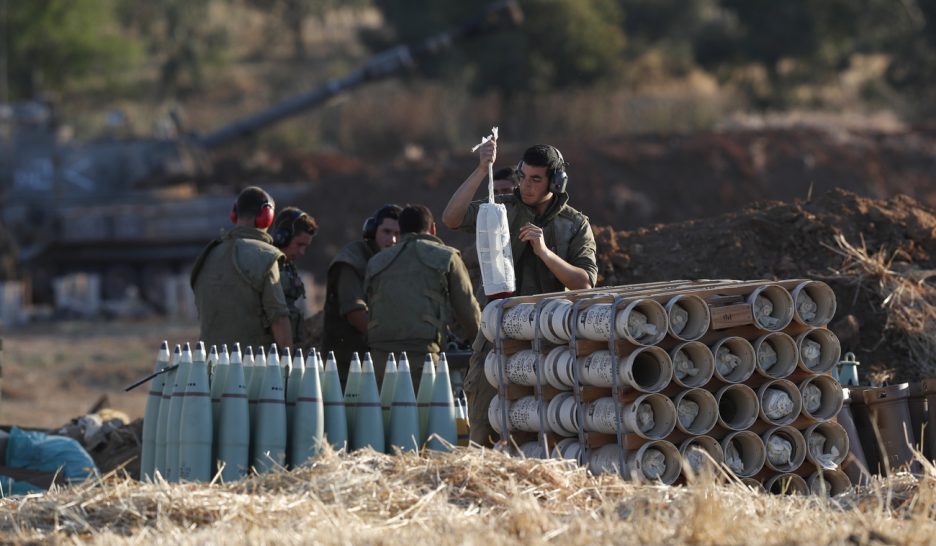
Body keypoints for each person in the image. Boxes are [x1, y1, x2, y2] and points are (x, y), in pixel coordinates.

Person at [442, 141, 598, 446]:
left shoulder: (574, 225)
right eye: (523, 176)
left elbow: (584, 283)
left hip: (551, 337)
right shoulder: (501, 210)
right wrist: (480, 170)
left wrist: (544, 253)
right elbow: (451, 218)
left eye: (536, 179)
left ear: (556, 181)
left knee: (552, 426)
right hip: (500, 331)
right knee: (485, 425)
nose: (526, 186)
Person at [364, 204, 480, 388]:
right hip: (423, 358)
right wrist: (479, 345)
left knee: (385, 414)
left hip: (379, 360)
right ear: (433, 228)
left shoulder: (376, 262)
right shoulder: (446, 257)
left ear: (400, 230)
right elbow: (467, 310)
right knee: (425, 414)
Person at [191, 186, 293, 350]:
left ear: (234, 214)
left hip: (209, 365)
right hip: (252, 368)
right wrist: (289, 366)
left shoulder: (208, 255)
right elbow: (279, 319)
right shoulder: (265, 256)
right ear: (266, 216)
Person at [322, 204, 401, 383]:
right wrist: (391, 342)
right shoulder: (352, 262)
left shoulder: (395, 261)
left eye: (398, 234)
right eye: (387, 232)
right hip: (347, 366)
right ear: (372, 232)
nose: (393, 240)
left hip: (376, 363)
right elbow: (355, 313)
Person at [270, 206, 319, 349]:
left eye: (306, 247)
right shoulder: (266, 266)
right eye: (299, 244)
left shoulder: (287, 267)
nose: (302, 252)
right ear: (282, 237)